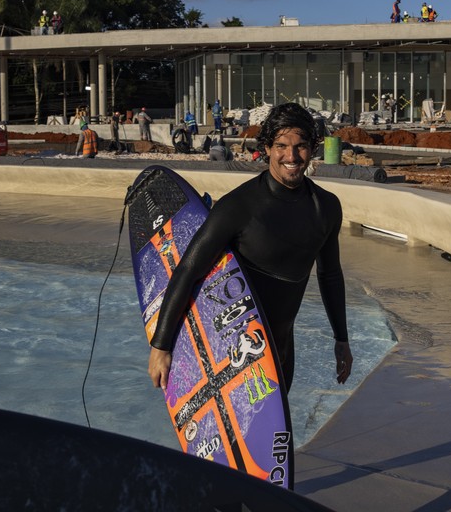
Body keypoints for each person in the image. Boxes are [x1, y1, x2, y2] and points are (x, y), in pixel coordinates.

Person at [148, 103, 353, 393]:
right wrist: (162, 345)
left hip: (282, 350)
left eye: (301, 146)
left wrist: (341, 339)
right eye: (281, 145)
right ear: (267, 148)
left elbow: (330, 274)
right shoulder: (239, 206)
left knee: (275, 436)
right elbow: (188, 270)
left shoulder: (327, 207)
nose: (291, 156)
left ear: (313, 148)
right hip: (233, 351)